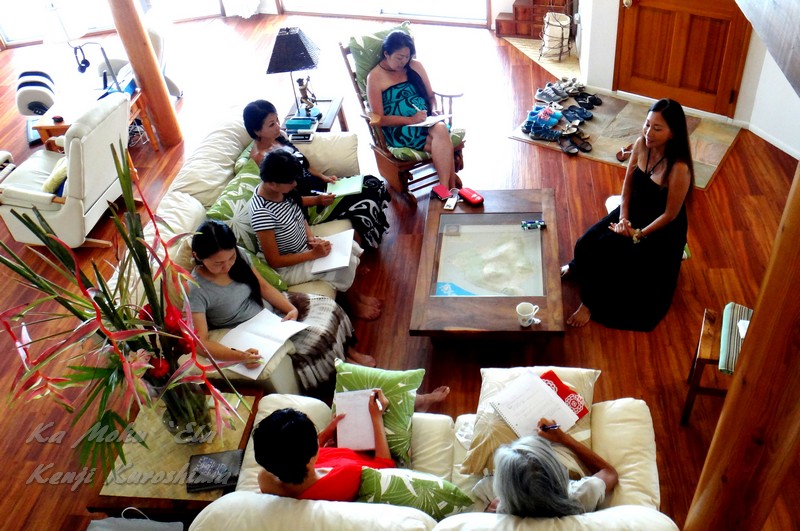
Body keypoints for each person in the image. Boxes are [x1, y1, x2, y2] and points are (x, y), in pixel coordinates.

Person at [187, 219, 378, 392]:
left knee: (329, 309)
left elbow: (262, 286)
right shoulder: (196, 288)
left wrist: (290, 308)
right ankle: (344, 369)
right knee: (315, 341)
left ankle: (348, 352)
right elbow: (201, 343)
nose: (227, 266)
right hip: (250, 329)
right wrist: (239, 356)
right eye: (218, 263)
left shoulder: (239, 255)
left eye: (231, 258)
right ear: (198, 256)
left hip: (268, 309)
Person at [562, 98, 693, 330]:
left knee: (611, 254)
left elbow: (670, 215)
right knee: (587, 242)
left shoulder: (679, 168)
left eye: (657, 128)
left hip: (659, 229)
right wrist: (623, 218)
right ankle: (577, 267)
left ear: (673, 133)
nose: (648, 132)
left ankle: (590, 303)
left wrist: (637, 234)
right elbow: (627, 187)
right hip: (634, 210)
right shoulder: (641, 144)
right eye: (647, 124)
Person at [249, 150, 383, 321]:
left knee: (350, 246)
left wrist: (311, 238)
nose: (295, 184)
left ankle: (357, 296)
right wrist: (313, 254)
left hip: (305, 248)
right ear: (273, 184)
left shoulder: (283, 192)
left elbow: (299, 215)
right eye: (291, 182)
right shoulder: (262, 214)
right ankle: (354, 305)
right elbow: (274, 260)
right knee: (343, 265)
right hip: (288, 266)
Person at [243, 99, 391, 249]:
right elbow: (284, 199)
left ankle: (370, 237)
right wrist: (317, 200)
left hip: (319, 187)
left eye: (277, 120)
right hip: (307, 203)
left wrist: (323, 176)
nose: (278, 126)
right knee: (366, 195)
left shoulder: (279, 137)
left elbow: (304, 163)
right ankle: (366, 246)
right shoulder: (261, 159)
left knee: (372, 182)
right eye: (271, 124)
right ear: (256, 131)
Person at [366, 30, 462, 190]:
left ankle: (444, 190)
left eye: (407, 56)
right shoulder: (375, 77)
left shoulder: (415, 66)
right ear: (386, 53)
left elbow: (430, 96)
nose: (403, 61)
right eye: (399, 57)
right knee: (444, 141)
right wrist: (411, 120)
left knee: (440, 129)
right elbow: (380, 118)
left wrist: (433, 111)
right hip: (400, 128)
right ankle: (449, 189)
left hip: (424, 121)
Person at [254, 391, 393, 501]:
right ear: (310, 456)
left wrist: (325, 435)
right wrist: (376, 416)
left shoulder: (268, 480)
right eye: (316, 436)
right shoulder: (345, 475)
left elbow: (285, 454)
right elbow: (385, 468)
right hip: (369, 455)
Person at [485, 418, 618, 517]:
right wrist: (563, 438)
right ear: (559, 474)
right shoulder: (582, 496)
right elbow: (609, 473)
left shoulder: (499, 511)